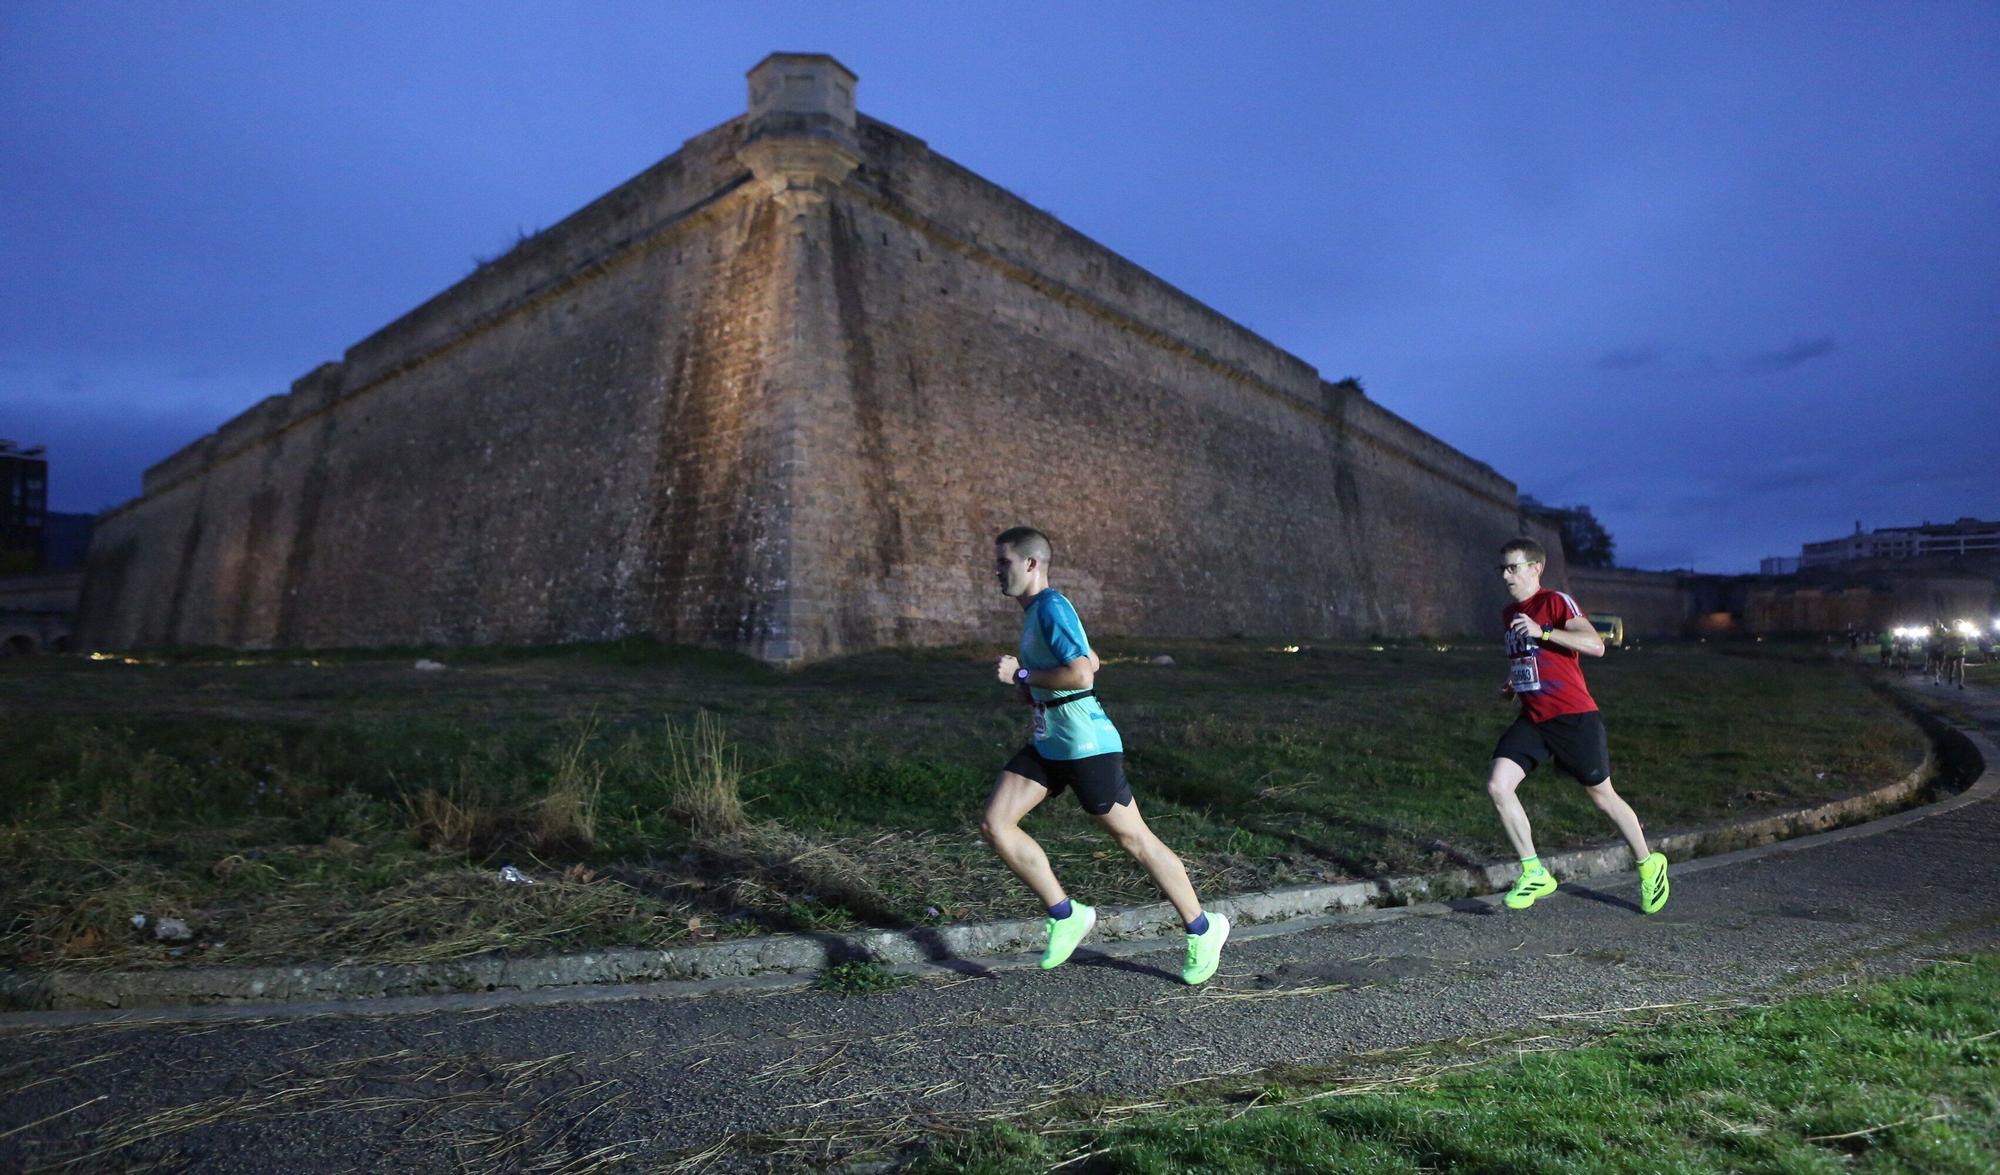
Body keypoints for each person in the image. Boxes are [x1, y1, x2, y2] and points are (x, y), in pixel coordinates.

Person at [981, 526, 1229, 984]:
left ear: (1031, 564)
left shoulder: (1052, 606)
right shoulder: (1037, 612)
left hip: (1085, 746)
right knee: (996, 823)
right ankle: (1066, 913)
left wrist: (1020, 675)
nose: (996, 570)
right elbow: (1090, 658)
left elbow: (1081, 675)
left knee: (1134, 840)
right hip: (1050, 741)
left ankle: (1203, 927)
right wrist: (1030, 682)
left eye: (1004, 562)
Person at [1485, 538, 1669, 914]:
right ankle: (1534, 872)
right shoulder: (1509, 614)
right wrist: (1514, 683)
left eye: (1513, 567)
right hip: (1534, 718)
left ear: (1536, 568)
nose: (1506, 575)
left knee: (1603, 797)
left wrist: (1544, 632)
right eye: (1502, 568)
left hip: (1573, 716)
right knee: (1498, 785)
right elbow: (1529, 658)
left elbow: (1595, 645)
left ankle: (1649, 864)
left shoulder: (1555, 603)